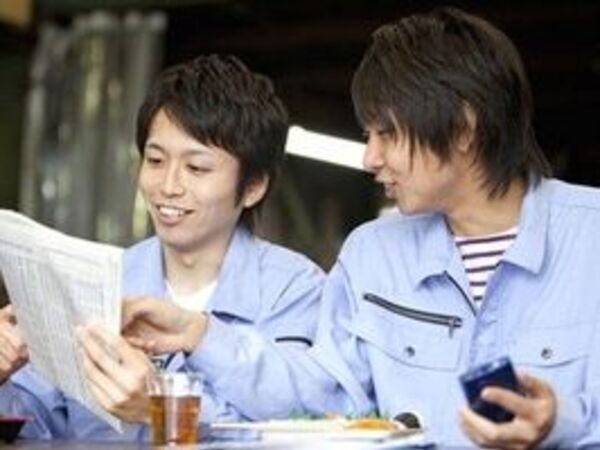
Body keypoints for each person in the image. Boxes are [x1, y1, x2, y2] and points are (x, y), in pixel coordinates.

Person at [123, 7, 600, 448]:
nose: (370, 158)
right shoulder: (373, 255)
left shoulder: (590, 238)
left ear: (462, 128)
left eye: (387, 134)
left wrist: (560, 422)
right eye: (368, 135)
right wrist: (200, 335)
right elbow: (324, 401)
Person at [0, 54, 324, 441]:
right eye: (155, 160)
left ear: (253, 187)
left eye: (197, 168)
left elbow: (303, 425)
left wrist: (163, 410)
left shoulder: (295, 291)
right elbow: (34, 426)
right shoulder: (99, 282)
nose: (168, 186)